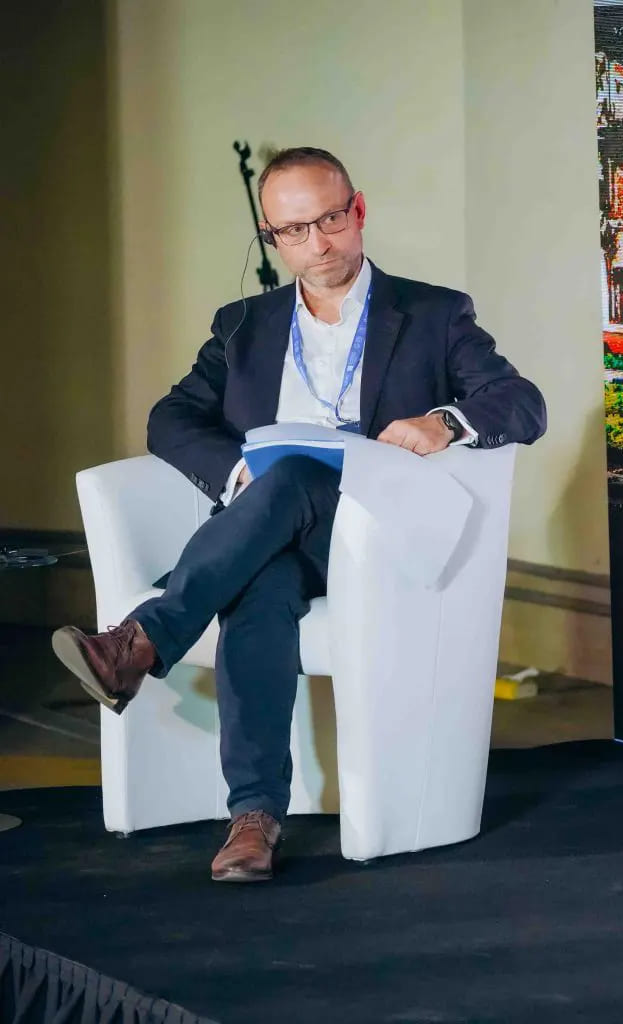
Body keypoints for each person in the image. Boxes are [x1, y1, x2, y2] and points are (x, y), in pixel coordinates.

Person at [50, 147, 546, 882]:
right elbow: (170, 419)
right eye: (293, 230)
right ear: (271, 237)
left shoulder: (434, 313)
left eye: (331, 220)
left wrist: (445, 421)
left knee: (289, 484)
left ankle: (140, 640)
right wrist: (238, 473)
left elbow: (522, 403)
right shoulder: (245, 325)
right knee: (262, 582)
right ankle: (253, 818)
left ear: (359, 211)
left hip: (376, 533)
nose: (318, 243)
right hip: (275, 536)